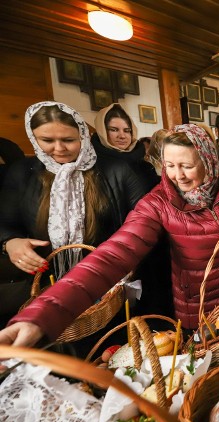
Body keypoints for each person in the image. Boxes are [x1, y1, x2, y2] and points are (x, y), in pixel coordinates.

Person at [0, 124, 219, 346]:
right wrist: (42, 315)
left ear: (209, 159)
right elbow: (113, 254)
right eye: (169, 165)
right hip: (202, 303)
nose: (177, 176)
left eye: (187, 166)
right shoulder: (158, 204)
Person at [0, 102, 148, 325]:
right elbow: (5, 221)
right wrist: (10, 242)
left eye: (68, 140)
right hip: (43, 285)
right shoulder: (22, 173)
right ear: (33, 138)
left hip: (106, 285)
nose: (59, 148)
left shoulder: (116, 170)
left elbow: (144, 221)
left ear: (83, 136)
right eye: (47, 141)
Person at [92, 103, 159, 191]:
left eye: (127, 131)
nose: (122, 136)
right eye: (114, 130)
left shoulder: (144, 164)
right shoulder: (92, 165)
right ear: (102, 132)